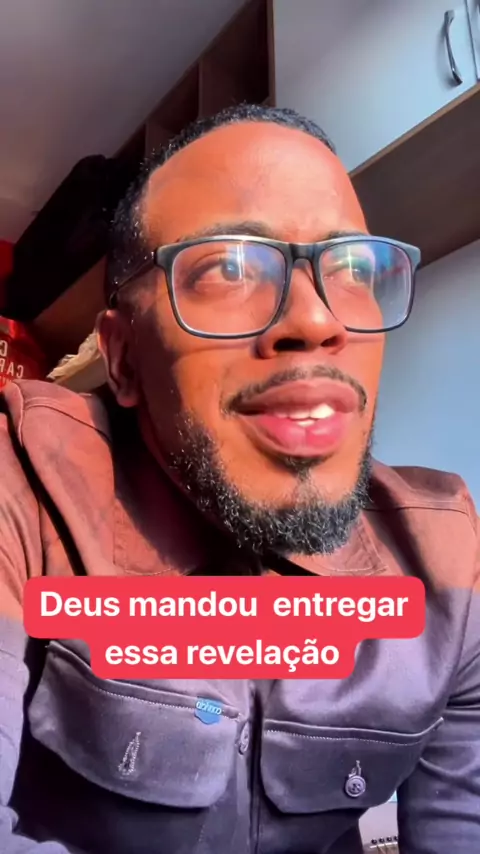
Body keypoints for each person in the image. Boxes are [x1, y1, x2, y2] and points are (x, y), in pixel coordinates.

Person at [0, 104, 478, 854]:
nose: (317, 321)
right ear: (121, 359)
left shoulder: (449, 563)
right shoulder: (22, 485)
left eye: (351, 268)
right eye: (229, 267)